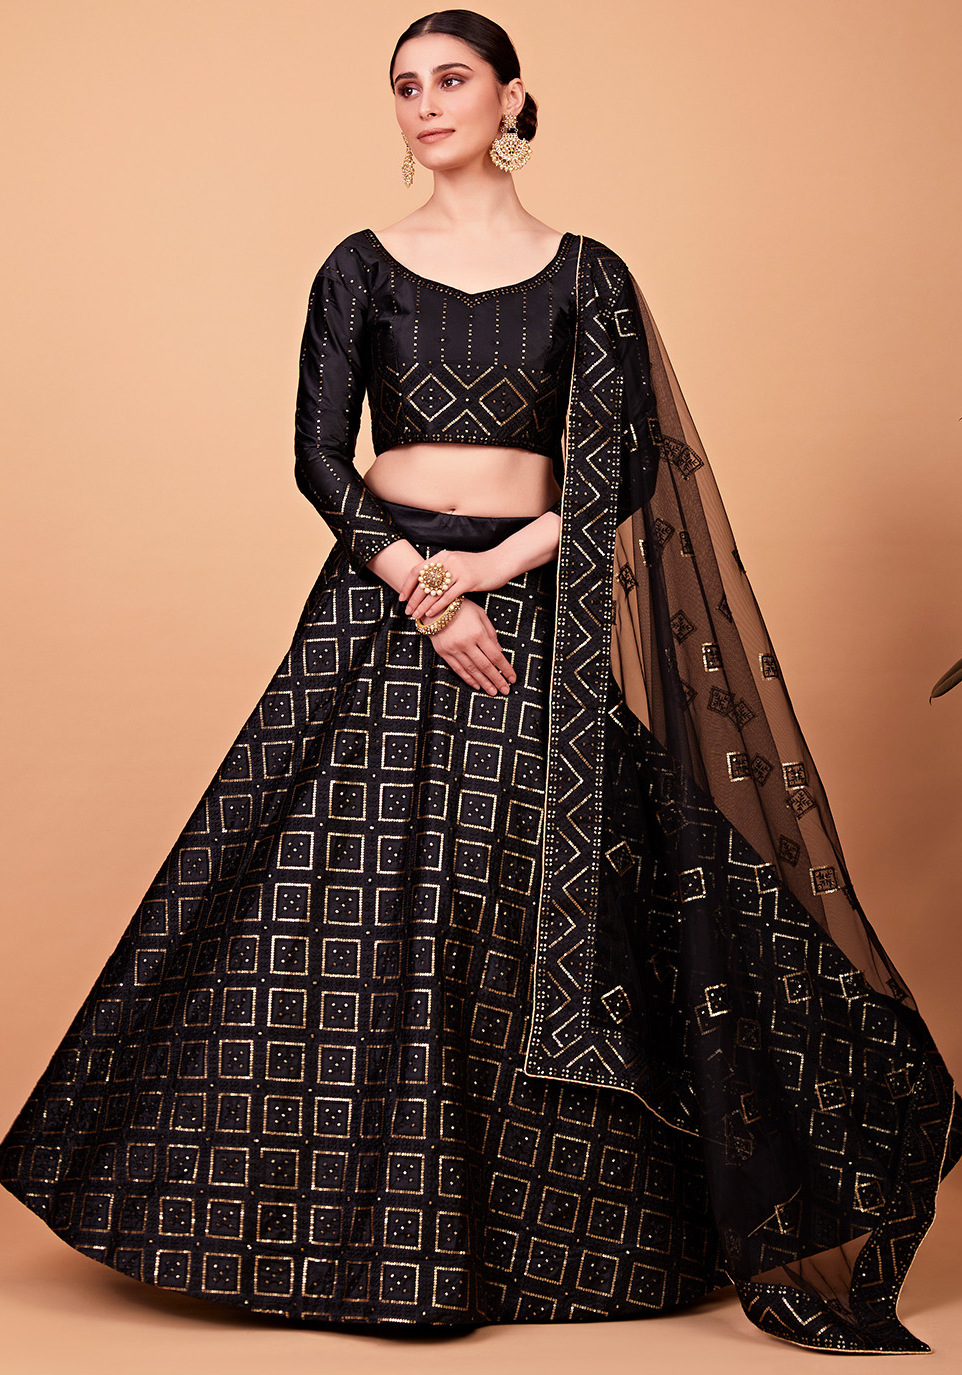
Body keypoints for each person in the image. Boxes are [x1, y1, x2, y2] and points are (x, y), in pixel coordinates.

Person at [1, 7, 959, 1355]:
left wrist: (496, 569)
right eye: (405, 86)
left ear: (512, 97)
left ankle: (540, 1244)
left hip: (529, 594)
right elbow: (318, 454)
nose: (426, 103)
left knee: (513, 888)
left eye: (452, 78)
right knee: (335, 887)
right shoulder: (358, 266)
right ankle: (332, 1235)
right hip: (385, 591)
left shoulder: (588, 274)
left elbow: (622, 464)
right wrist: (421, 585)